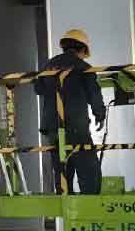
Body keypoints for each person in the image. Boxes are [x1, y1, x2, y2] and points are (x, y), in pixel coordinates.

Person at [35, 28, 106, 194]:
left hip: (52, 128)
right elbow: (94, 94)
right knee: (89, 173)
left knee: (62, 170)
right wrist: (100, 115)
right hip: (75, 127)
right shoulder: (83, 67)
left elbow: (38, 89)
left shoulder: (48, 66)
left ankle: (64, 198)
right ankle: (90, 203)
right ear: (82, 49)